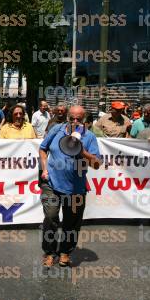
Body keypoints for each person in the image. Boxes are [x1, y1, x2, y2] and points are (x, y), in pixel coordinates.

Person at [39, 105, 101, 267]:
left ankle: (65, 251)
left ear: (84, 120)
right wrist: (45, 168)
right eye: (71, 118)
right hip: (51, 183)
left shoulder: (89, 137)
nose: (74, 122)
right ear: (67, 117)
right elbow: (43, 149)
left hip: (75, 188)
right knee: (51, 217)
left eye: (78, 119)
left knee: (71, 222)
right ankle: (50, 252)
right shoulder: (57, 130)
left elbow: (96, 164)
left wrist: (82, 151)